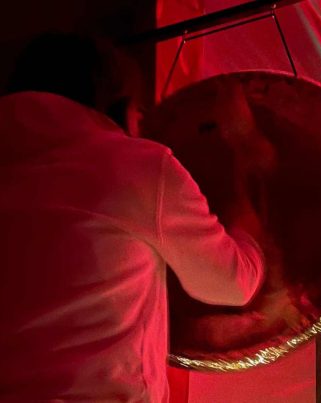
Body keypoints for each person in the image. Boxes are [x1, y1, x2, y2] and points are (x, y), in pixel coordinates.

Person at [0, 32, 265, 401]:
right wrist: (242, 176)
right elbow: (233, 282)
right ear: (118, 106)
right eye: (141, 114)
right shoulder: (137, 168)